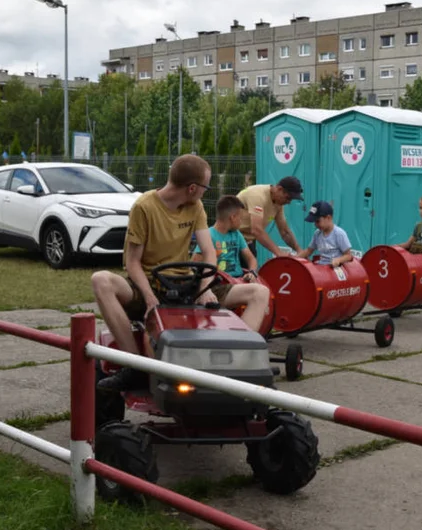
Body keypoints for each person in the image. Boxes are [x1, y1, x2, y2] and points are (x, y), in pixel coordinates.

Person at [92, 155, 269, 393]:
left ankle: (236, 361)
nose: (206, 192)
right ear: (192, 188)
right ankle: (134, 365)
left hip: (188, 283)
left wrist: (205, 289)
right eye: (206, 186)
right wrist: (149, 297)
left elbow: (208, 253)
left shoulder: (194, 207)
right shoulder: (144, 207)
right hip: (150, 283)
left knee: (259, 293)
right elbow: (132, 263)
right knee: (101, 280)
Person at [191, 195, 260, 282]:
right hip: (220, 281)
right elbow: (195, 263)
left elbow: (251, 259)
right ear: (233, 217)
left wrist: (252, 272)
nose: (241, 222)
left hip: (238, 279)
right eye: (240, 218)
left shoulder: (237, 234)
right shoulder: (208, 235)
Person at [236, 176, 305, 258]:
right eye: (288, 198)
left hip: (246, 242)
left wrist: (299, 251)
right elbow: (256, 230)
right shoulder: (258, 196)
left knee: (251, 269)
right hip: (229, 239)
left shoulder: (278, 204)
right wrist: (279, 253)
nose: (289, 202)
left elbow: (285, 232)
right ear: (279, 189)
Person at [298, 200, 354, 268]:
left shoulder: (339, 234)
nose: (316, 225)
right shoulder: (317, 234)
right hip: (322, 268)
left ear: (328, 218)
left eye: (318, 221)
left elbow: (348, 256)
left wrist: (339, 260)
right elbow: (308, 251)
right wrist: (295, 258)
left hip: (335, 269)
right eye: (314, 222)